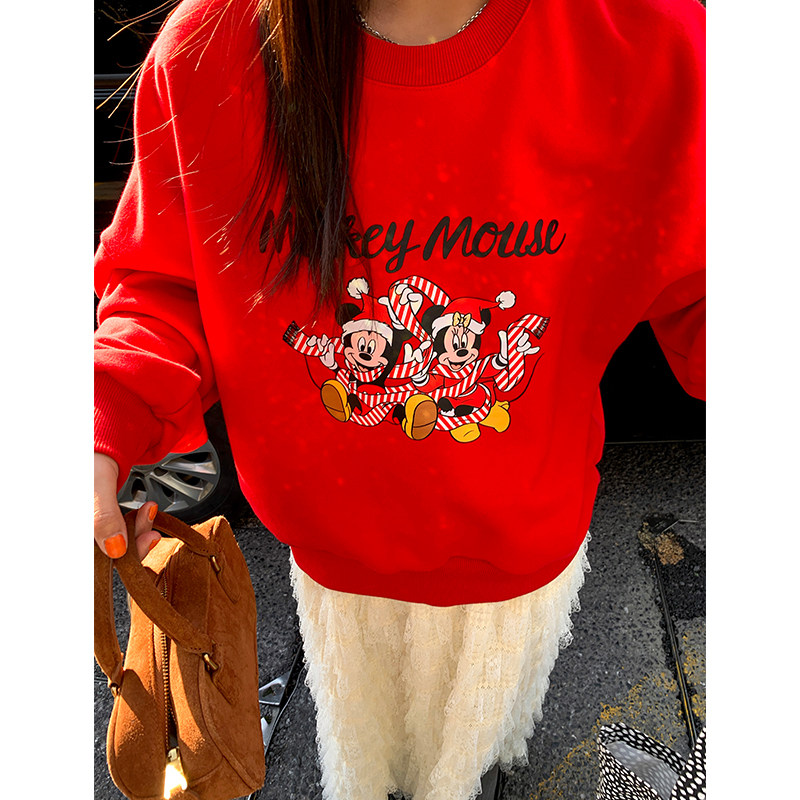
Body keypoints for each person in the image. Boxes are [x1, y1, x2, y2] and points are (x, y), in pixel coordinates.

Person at [93, 1, 705, 798]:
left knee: (474, 748)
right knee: (364, 744)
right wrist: (104, 413)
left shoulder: (647, 42)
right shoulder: (211, 48)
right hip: (331, 561)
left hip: (518, 557)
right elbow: (165, 279)